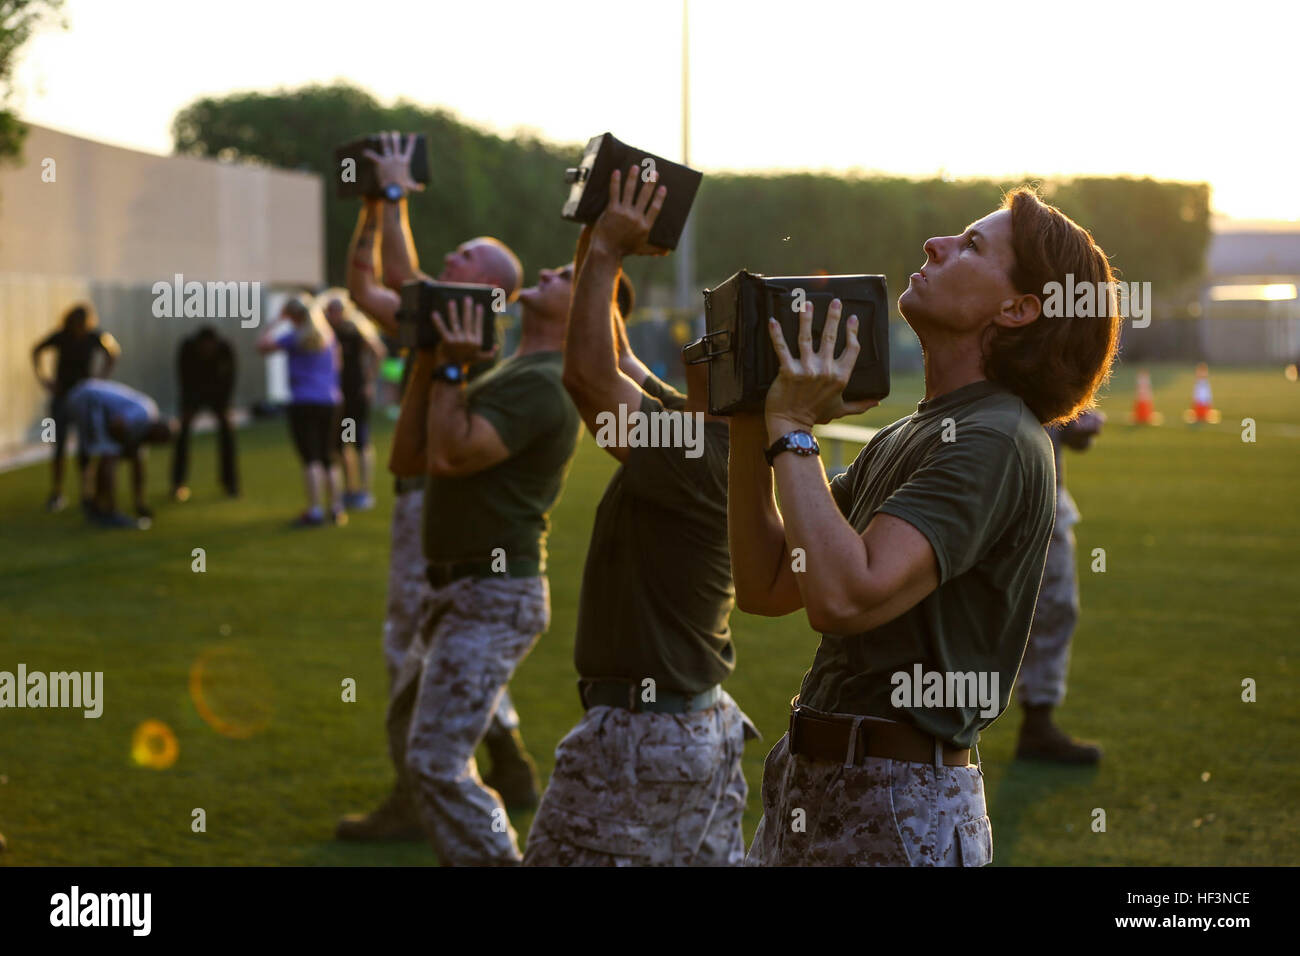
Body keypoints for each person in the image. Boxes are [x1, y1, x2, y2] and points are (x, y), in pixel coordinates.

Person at [730, 186, 1121, 866]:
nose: (934, 245)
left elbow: (846, 595)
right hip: (818, 782)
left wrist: (793, 432)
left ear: (1019, 308)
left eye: (971, 245)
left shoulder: (996, 437)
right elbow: (766, 583)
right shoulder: (910, 433)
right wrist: (746, 422)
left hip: (895, 803)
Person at [524, 169, 756, 867]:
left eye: (711, 346)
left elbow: (591, 380)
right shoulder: (708, 431)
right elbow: (617, 355)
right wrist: (601, 235)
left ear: (738, 378)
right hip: (688, 725)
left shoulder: (698, 450)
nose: (692, 348)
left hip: (643, 737)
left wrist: (606, 256)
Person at [335, 132, 560, 847]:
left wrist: (397, 193)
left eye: (462, 255)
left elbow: (397, 275)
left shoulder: (488, 353)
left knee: (417, 666)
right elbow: (367, 283)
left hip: (468, 553)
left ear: (489, 288)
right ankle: (490, 769)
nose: (447, 260)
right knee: (429, 678)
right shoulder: (469, 343)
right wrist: (376, 204)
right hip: (451, 550)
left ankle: (469, 781)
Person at [1015, 409, 1104, 763]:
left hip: (1044, 496)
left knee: (1054, 607)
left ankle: (1037, 723)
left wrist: (1071, 423)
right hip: (1010, 489)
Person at [257, 294, 345, 528]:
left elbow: (262, 347)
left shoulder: (293, 337)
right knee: (329, 456)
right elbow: (338, 366)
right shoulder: (328, 337)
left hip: (303, 401)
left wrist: (275, 322)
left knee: (311, 457)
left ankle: (315, 509)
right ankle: (336, 508)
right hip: (330, 401)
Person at [31, 303, 121, 512]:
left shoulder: (94, 336)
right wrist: (45, 380)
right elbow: (37, 350)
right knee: (59, 444)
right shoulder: (61, 336)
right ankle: (57, 492)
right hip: (62, 397)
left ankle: (86, 493)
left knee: (86, 446)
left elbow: (113, 351)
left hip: (84, 398)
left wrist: (100, 379)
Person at [63, 378, 175, 528]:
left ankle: (96, 505)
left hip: (85, 397)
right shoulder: (144, 412)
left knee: (106, 455)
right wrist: (123, 446)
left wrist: (139, 503)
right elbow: (117, 424)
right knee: (109, 456)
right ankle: (109, 511)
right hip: (90, 399)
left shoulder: (143, 430)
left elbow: (138, 466)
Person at [318, 288, 387, 511]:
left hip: (355, 393)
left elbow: (378, 352)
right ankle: (350, 487)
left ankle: (365, 490)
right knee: (341, 443)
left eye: (337, 310)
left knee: (360, 441)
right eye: (330, 310)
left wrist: (369, 381)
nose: (333, 314)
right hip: (337, 396)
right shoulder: (327, 332)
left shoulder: (354, 330)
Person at [171, 325, 239, 501]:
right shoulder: (187, 349)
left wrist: (225, 407)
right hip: (193, 392)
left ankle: (230, 483)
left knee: (227, 432)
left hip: (218, 393)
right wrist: (187, 407)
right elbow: (183, 377)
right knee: (182, 433)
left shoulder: (225, 349)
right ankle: (178, 483)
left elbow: (230, 378)